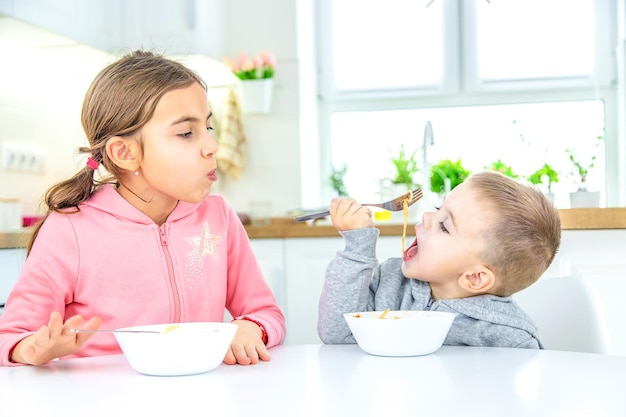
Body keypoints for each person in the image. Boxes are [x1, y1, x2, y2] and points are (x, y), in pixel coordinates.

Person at [0, 50, 285, 367]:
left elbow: (266, 313)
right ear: (124, 152)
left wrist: (251, 328)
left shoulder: (217, 217)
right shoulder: (70, 229)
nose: (212, 146)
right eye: (186, 133)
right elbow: (10, 336)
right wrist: (30, 348)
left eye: (208, 128)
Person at [318, 171, 561, 349]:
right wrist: (357, 247)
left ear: (475, 278)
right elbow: (337, 333)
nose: (425, 217)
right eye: (437, 208)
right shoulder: (389, 281)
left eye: (444, 226)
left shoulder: (509, 338)